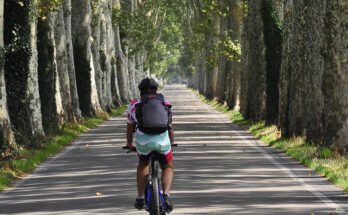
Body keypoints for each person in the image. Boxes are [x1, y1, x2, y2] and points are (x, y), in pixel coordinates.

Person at [126, 77, 175, 213]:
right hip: (162, 142)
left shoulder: (134, 105)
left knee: (143, 164)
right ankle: (165, 195)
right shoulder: (165, 102)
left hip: (143, 143)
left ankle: (140, 197)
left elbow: (130, 128)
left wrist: (129, 143)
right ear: (156, 89)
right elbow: (169, 126)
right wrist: (171, 141)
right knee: (167, 166)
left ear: (140, 91)